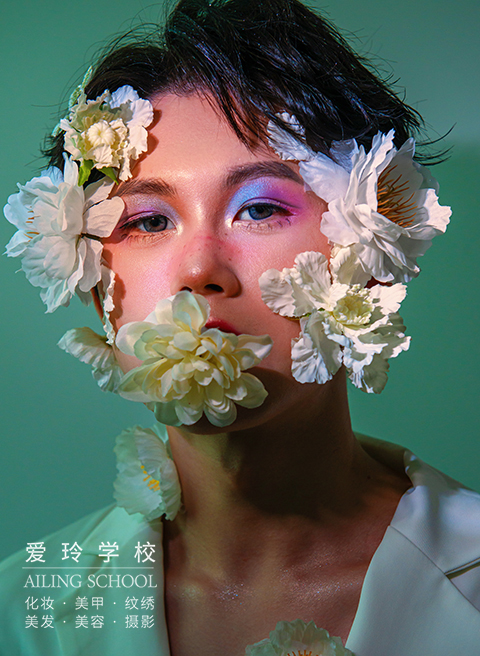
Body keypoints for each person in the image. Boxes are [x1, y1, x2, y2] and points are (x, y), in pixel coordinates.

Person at [1, 0, 479, 654]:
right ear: (85, 274)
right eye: (147, 221)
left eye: (258, 209)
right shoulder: (19, 615)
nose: (199, 269)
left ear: (372, 245)